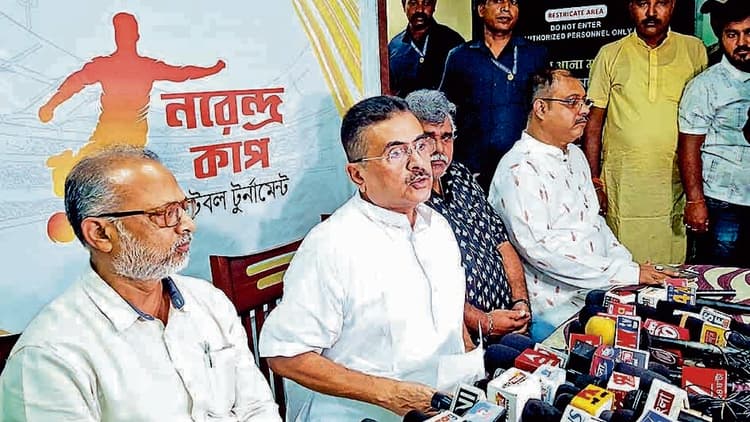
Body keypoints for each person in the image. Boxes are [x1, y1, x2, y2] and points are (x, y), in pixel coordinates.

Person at [0, 147, 280, 421]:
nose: (187, 225)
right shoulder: (49, 356)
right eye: (165, 213)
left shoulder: (208, 301)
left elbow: (257, 408)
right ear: (100, 234)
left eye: (183, 208)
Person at [259, 96, 483, 421]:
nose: (418, 163)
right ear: (358, 175)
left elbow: (448, 313)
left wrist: (472, 369)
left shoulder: (437, 226)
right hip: (366, 412)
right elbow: (284, 355)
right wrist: (388, 394)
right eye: (396, 153)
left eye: (419, 145)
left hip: (444, 404)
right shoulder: (331, 246)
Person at [488, 69, 670, 340]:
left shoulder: (575, 154)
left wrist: (628, 269)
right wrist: (626, 273)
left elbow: (595, 223)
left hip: (600, 290)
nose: (584, 110)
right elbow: (541, 250)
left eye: (585, 102)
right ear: (541, 108)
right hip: (558, 307)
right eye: (572, 102)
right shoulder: (519, 169)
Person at [582, 0, 707, 264]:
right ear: (630, 7)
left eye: (660, 3)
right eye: (642, 3)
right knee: (624, 266)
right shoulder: (610, 53)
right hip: (623, 185)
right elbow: (593, 125)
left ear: (673, 5)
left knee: (670, 268)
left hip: (672, 183)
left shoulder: (693, 49)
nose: (651, 12)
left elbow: (701, 121)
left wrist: (696, 196)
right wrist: (594, 181)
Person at [404, 89, 530, 342]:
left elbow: (502, 242)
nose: (439, 149)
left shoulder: (461, 176)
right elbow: (428, 287)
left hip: (511, 320)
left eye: (446, 137)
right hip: (464, 338)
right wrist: (485, 322)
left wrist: (520, 303)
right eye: (428, 139)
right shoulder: (406, 198)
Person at [440, 0, 547, 192]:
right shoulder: (460, 57)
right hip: (473, 169)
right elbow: (444, 113)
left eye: (513, 2)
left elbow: (547, 110)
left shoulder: (535, 55)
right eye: (498, 1)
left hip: (524, 167)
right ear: (481, 9)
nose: (506, 8)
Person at [677, 0, 750, 267]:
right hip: (723, 202)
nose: (742, 42)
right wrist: (695, 201)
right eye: (732, 35)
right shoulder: (705, 86)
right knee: (720, 277)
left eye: (749, 33)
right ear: (721, 37)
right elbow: (689, 146)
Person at [388, 0, 464, 97]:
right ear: (404, 6)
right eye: (413, 3)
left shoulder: (453, 41)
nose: (420, 9)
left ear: (434, 6)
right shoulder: (394, 47)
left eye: (426, 3)